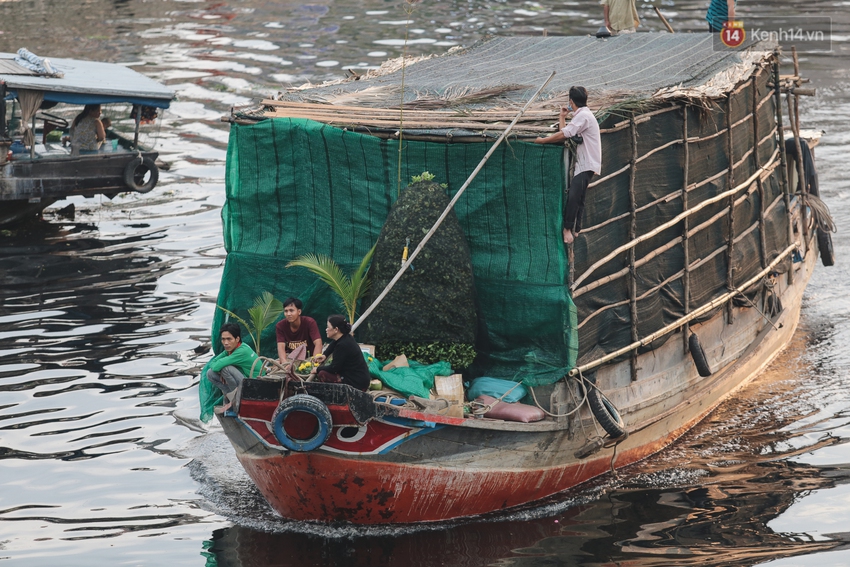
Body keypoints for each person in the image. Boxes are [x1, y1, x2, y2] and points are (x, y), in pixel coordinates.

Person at [534, 86, 602, 244]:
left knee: (574, 196)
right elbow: (566, 131)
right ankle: (577, 228)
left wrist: (542, 140)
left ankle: (567, 230)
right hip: (587, 163)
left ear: (571, 101)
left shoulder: (583, 116)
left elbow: (564, 135)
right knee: (580, 196)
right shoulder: (583, 115)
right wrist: (562, 116)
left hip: (587, 163)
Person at [309, 315, 370, 391]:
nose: (326, 329)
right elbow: (333, 343)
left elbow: (334, 368)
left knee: (322, 374)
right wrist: (324, 355)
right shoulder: (345, 337)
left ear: (336, 330)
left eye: (328, 327)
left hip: (357, 383)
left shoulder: (342, 345)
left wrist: (317, 369)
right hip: (361, 378)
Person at [206, 323, 260, 404]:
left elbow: (217, 366)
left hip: (255, 385)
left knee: (226, 368)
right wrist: (220, 372)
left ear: (237, 339)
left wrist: (220, 370)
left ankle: (237, 399)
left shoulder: (242, 351)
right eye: (223, 339)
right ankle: (231, 395)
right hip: (245, 379)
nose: (225, 343)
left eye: (229, 339)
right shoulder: (231, 349)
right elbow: (212, 364)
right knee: (210, 373)